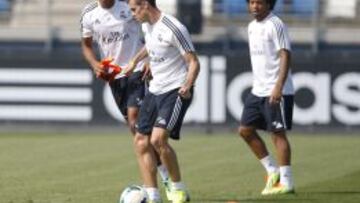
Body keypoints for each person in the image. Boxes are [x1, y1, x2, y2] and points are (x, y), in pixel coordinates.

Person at [80, 0, 171, 191]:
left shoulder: (128, 6)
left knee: (134, 121)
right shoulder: (88, 14)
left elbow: (151, 27)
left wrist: (150, 60)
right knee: (137, 130)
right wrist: (95, 64)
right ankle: (163, 173)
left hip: (136, 69)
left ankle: (159, 182)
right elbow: (86, 45)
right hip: (114, 77)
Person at [126, 0, 200, 202]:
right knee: (141, 142)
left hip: (176, 90)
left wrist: (187, 85)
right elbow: (152, 47)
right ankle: (152, 196)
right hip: (154, 90)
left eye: (133, 9)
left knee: (157, 140)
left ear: (144, 5)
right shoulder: (146, 25)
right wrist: (137, 60)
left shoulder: (174, 27)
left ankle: (178, 190)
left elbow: (194, 62)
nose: (132, 14)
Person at [239, 0, 295, 195]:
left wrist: (278, 86)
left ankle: (286, 182)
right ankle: (272, 171)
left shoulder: (275, 24)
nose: (255, 6)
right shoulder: (251, 27)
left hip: (276, 89)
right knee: (245, 130)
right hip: (258, 90)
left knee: (277, 134)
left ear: (269, 4)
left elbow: (285, 55)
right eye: (251, 2)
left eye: (259, 2)